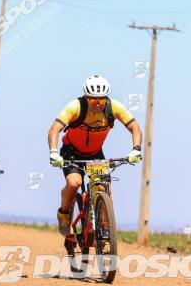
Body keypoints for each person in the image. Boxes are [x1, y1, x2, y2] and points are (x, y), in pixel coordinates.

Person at [47, 75, 142, 235]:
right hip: (71, 152)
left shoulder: (114, 107)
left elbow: (135, 127)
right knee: (74, 183)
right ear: (86, 97)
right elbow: (54, 129)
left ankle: (106, 227)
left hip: (95, 154)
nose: (98, 103)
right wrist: (54, 152)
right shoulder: (75, 106)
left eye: (102, 99)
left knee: (104, 185)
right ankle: (63, 213)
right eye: (93, 100)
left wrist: (136, 149)